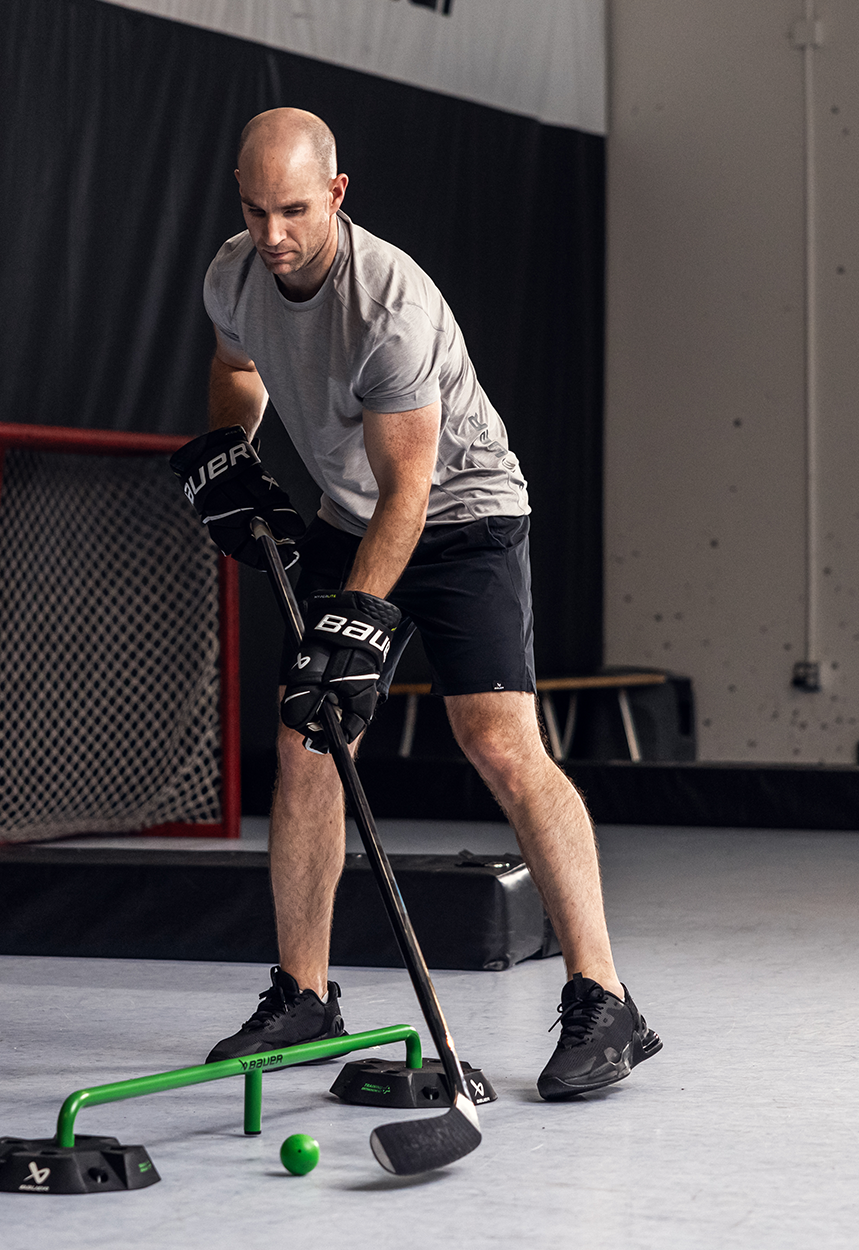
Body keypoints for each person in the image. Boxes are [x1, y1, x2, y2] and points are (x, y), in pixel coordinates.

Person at [170, 108, 660, 1100]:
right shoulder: (233, 273)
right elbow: (235, 370)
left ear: (337, 196)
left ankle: (604, 998)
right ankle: (303, 994)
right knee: (307, 738)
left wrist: (352, 618)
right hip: (355, 513)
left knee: (496, 742)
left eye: (296, 211)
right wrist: (233, 448)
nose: (274, 236)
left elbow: (411, 488)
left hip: (463, 510)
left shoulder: (387, 302)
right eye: (257, 209)